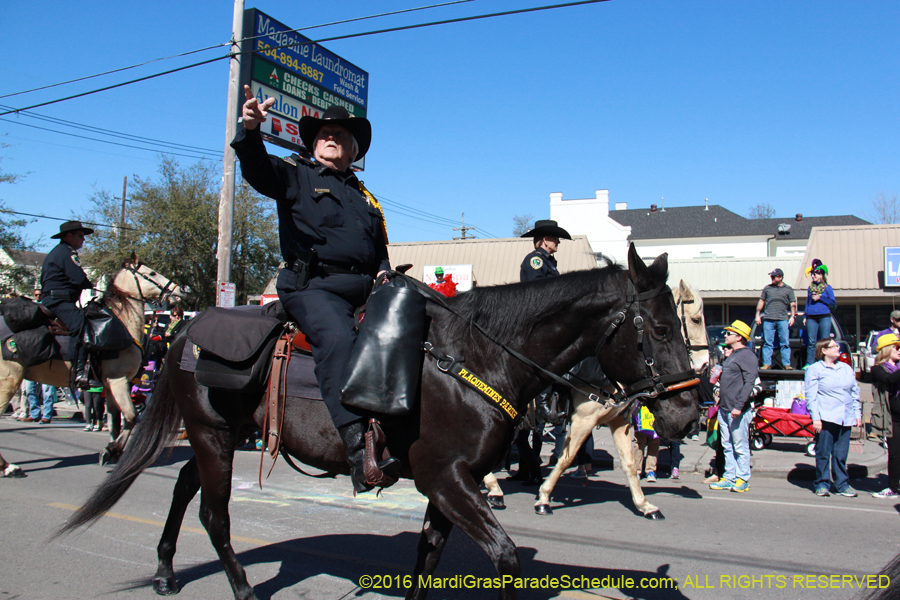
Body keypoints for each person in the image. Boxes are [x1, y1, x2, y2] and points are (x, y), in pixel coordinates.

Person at [231, 86, 396, 494]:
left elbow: (379, 250)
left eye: (340, 134)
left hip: (364, 287)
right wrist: (250, 130)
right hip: (314, 286)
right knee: (338, 337)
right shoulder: (295, 174)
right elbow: (257, 170)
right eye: (324, 132)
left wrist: (384, 273)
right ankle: (358, 450)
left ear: (353, 149)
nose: (330, 136)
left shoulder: (364, 198)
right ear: (312, 142)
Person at [519, 219, 572, 423]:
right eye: (555, 238)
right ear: (544, 240)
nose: (558, 241)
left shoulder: (548, 261)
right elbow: (538, 292)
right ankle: (541, 404)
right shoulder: (536, 260)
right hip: (537, 319)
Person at [40, 220, 94, 388]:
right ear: (68, 236)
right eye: (80, 236)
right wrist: (88, 284)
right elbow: (77, 278)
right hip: (59, 301)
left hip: (56, 298)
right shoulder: (66, 253)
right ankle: (78, 374)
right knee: (82, 328)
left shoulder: (59, 251)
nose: (83, 240)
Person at [805, 338, 861, 497]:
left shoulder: (846, 368)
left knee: (841, 453)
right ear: (824, 351)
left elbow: (854, 393)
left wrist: (857, 414)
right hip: (826, 417)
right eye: (834, 346)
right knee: (823, 452)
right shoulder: (815, 369)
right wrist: (816, 418)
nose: (838, 348)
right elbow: (811, 396)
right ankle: (822, 483)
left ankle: (842, 484)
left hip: (846, 416)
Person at [709, 320, 759, 493]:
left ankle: (742, 478)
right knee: (727, 445)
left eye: (729, 333)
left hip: (737, 410)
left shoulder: (747, 356)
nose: (726, 335)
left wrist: (739, 406)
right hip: (724, 408)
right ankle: (729, 477)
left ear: (739, 337)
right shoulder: (732, 355)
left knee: (740, 445)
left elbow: (749, 383)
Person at [870, 333, 900, 498]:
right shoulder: (877, 369)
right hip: (892, 418)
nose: (899, 350)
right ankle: (893, 487)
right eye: (896, 347)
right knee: (895, 454)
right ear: (887, 350)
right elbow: (888, 379)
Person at [754, 268, 797, 370]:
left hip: (782, 319)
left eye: (774, 276)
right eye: (771, 276)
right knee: (767, 342)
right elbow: (761, 302)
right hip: (769, 318)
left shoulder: (788, 289)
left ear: (780, 277)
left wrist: (792, 316)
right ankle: (766, 364)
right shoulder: (767, 288)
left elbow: (793, 303)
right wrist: (757, 314)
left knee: (785, 342)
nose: (772, 278)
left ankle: (786, 364)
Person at [803, 259, 836, 369]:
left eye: (815, 274)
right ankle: (809, 363)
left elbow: (832, 303)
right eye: (812, 274)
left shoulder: (827, 287)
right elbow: (807, 303)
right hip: (811, 316)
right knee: (811, 341)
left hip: (824, 316)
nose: (813, 276)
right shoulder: (810, 288)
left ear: (821, 275)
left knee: (824, 341)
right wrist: (805, 316)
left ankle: (825, 362)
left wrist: (821, 298)